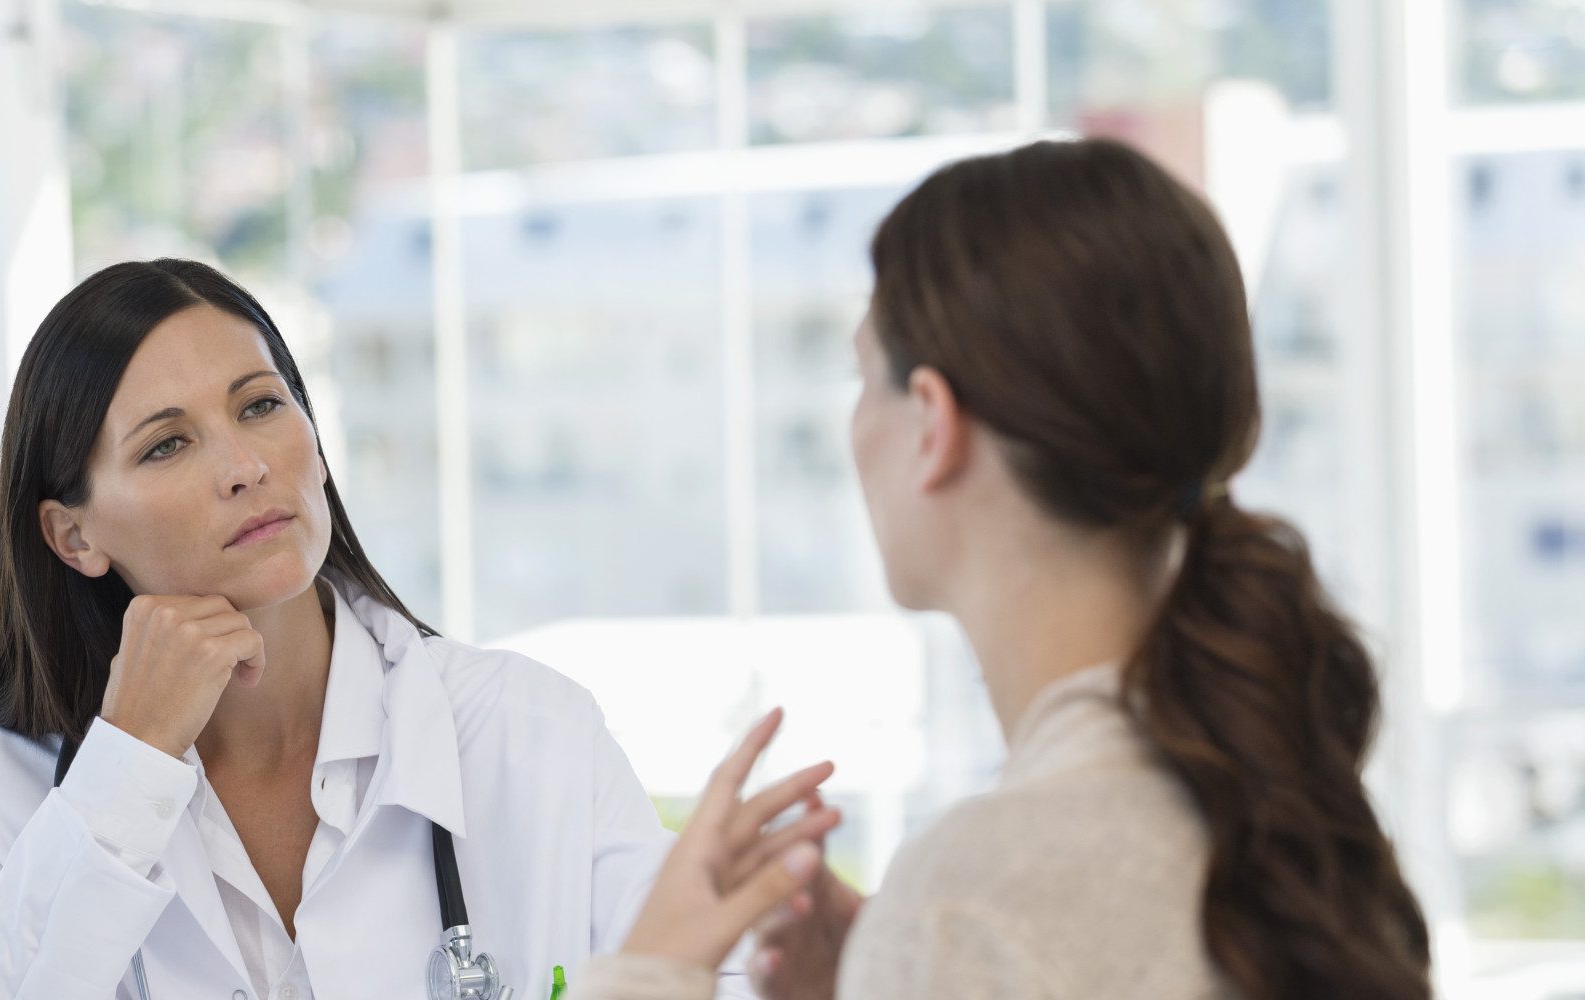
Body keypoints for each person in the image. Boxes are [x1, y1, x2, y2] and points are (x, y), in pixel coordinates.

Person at [573, 138, 1434, 1000]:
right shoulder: (1297, 831)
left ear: (932, 423)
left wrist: (652, 970)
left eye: (862, 376)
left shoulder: (974, 897)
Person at [0, 259, 837, 999]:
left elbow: (700, 977)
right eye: (168, 443)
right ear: (74, 534)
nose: (245, 466)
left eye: (261, 405)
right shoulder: (8, 782)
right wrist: (126, 768)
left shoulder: (526, 733)